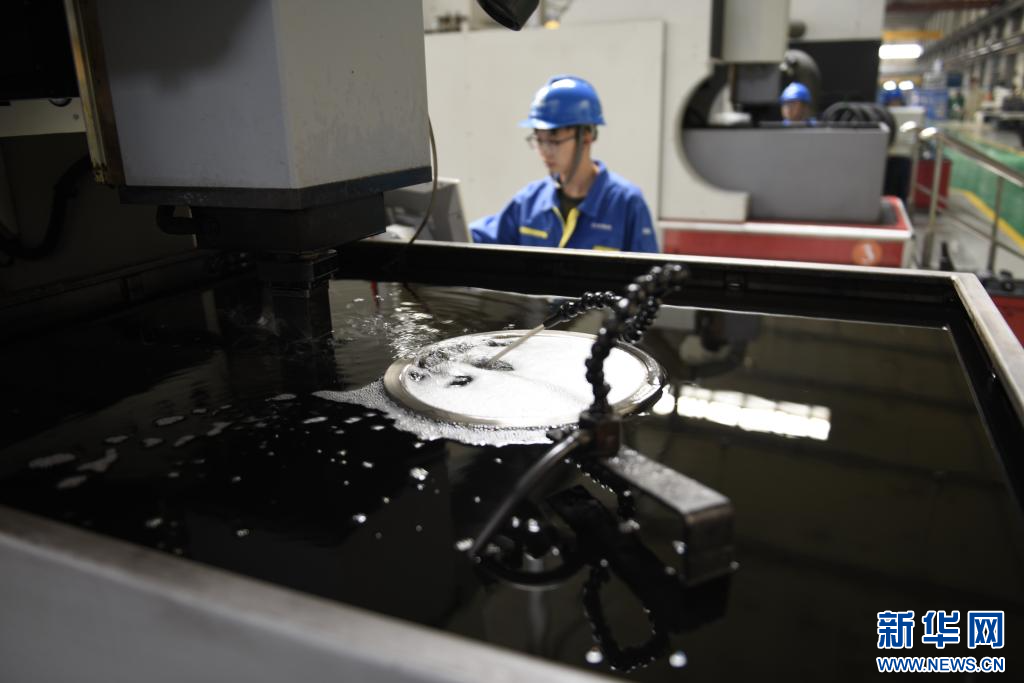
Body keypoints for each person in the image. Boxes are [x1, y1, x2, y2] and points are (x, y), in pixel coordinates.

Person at [470, 75, 659, 253]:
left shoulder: (626, 204)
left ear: (586, 136)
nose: (544, 151)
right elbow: (479, 237)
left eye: (554, 140)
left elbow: (649, 271)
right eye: (539, 140)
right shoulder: (529, 202)